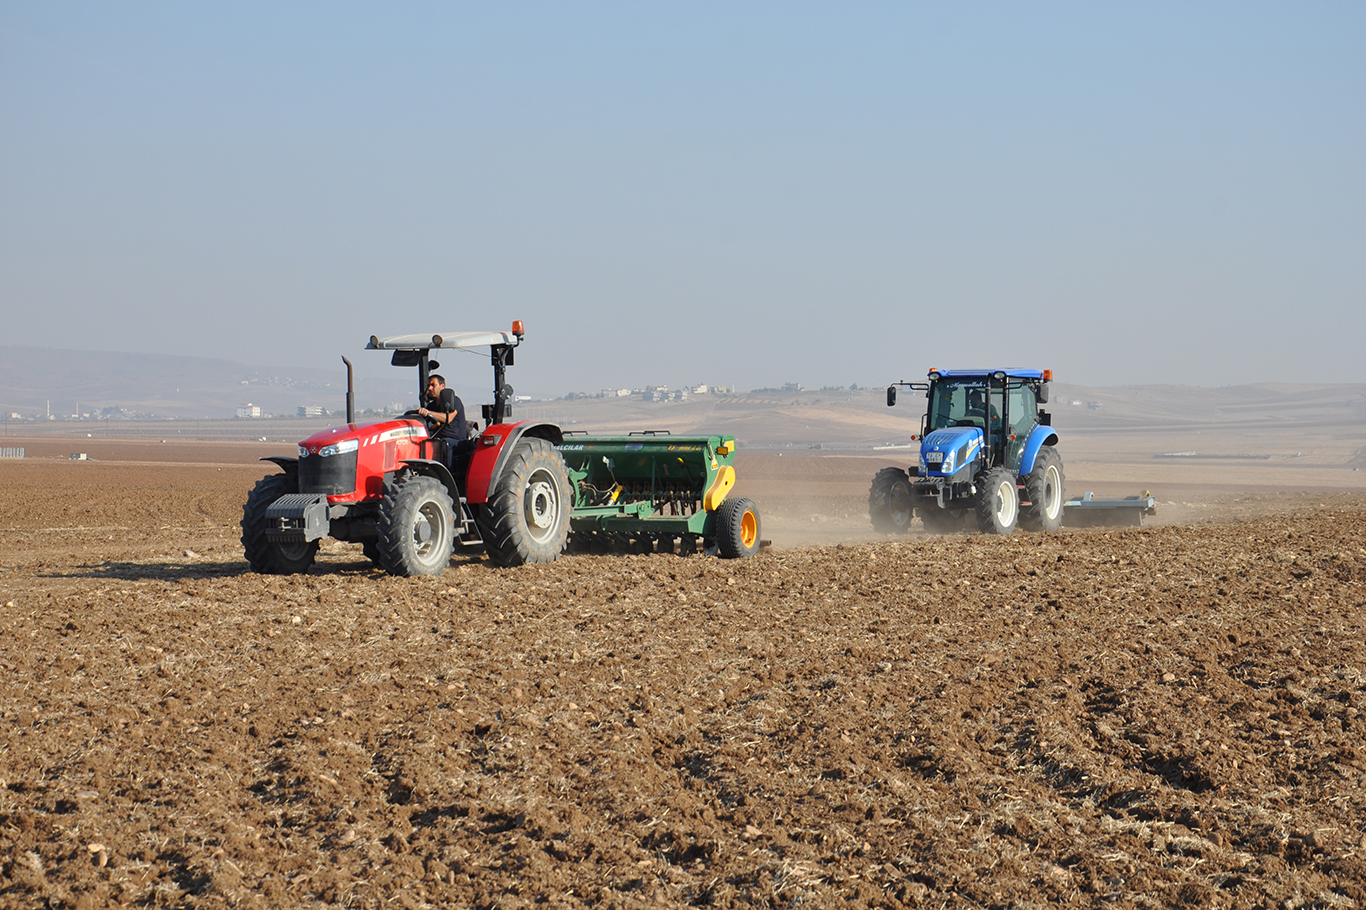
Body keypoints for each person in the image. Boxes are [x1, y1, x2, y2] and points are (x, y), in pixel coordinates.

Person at [417, 375, 469, 469]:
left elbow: (448, 418)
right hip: (439, 439)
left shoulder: (455, 401)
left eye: (433, 385)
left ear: (442, 386)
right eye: (429, 385)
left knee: (444, 444)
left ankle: (447, 475)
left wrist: (428, 413)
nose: (429, 388)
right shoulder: (431, 406)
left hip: (457, 441)